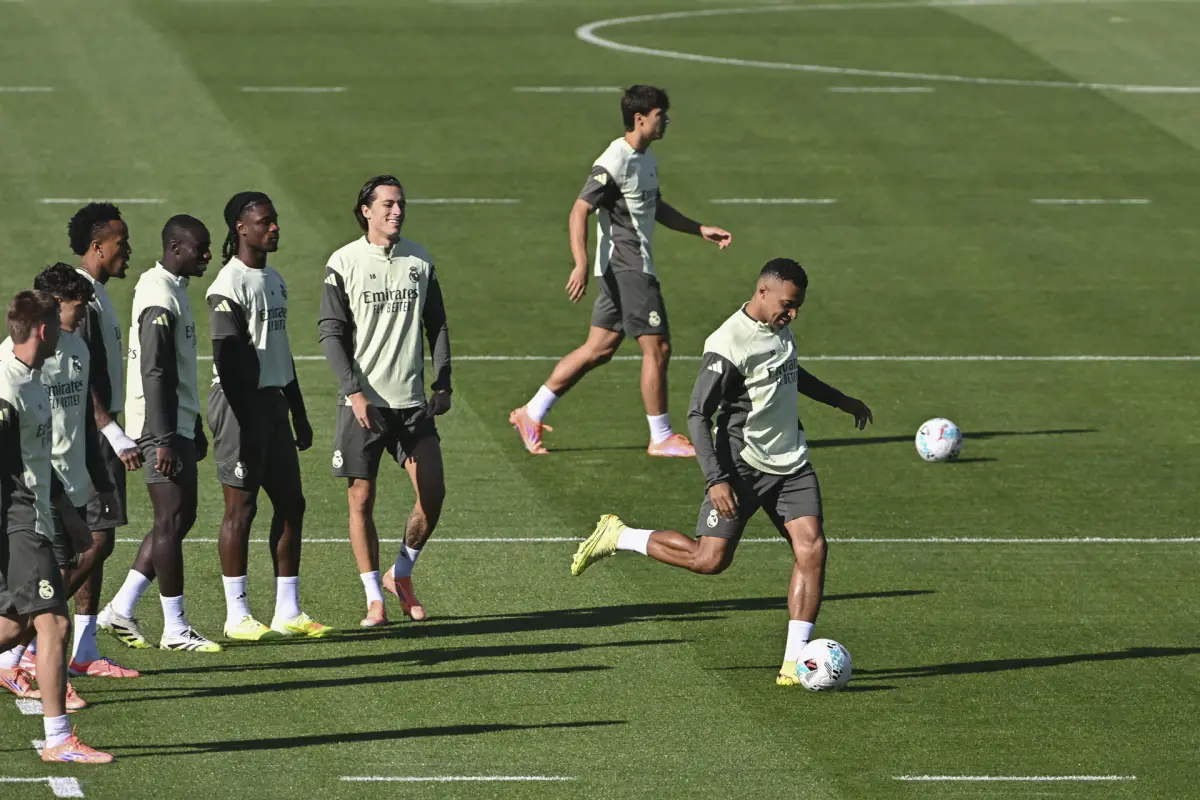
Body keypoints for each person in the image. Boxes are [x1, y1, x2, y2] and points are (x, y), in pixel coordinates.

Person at [570, 258, 873, 686]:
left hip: (791, 463)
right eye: (788, 305)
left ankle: (791, 664)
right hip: (743, 466)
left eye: (798, 306)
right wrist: (716, 479)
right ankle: (619, 535)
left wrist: (841, 400)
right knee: (708, 560)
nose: (793, 314)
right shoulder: (728, 343)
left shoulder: (777, 325)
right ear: (762, 291)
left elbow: (787, 372)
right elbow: (697, 414)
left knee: (812, 549)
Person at [510, 84, 732, 457]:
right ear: (640, 119)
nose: (667, 121)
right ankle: (660, 435)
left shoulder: (646, 160)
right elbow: (580, 209)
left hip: (625, 269)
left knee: (599, 348)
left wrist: (698, 229)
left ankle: (531, 412)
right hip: (627, 268)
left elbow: (654, 206)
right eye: (662, 115)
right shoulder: (615, 160)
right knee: (657, 346)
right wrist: (580, 263)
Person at [318, 175, 451, 627]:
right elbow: (331, 333)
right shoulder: (343, 262)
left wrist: (444, 381)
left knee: (432, 492)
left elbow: (438, 324)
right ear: (366, 211)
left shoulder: (420, 259)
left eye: (401, 205)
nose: (397, 212)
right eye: (388, 205)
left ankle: (402, 573)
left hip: (412, 403)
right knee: (362, 499)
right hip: (364, 404)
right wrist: (354, 392)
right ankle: (374, 596)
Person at [0, 265, 134, 709]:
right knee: (47, 612)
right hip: (31, 498)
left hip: (63, 487)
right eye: (74, 310)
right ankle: (42, 682)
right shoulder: (16, 368)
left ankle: (29, 664)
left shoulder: (72, 348)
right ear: (52, 314)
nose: (77, 319)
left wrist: (93, 479)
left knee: (31, 614)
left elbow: (76, 421)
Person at [207, 191, 327, 641]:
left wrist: (298, 411)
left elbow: (280, 351)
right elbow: (228, 362)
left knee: (292, 503)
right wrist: (250, 420)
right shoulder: (227, 285)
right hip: (240, 404)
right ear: (241, 227)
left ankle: (287, 610)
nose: (273, 228)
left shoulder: (274, 280)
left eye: (275, 220)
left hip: (273, 403)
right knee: (241, 508)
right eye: (264, 221)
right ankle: (236, 615)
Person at [98, 216, 217, 652]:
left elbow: (177, 369)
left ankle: (122, 608)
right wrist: (164, 437)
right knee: (169, 520)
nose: (207, 255)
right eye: (200, 248)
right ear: (175, 246)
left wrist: (193, 423)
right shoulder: (157, 293)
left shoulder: (174, 288)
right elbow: (154, 369)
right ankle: (175, 627)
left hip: (175, 421)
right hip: (157, 426)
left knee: (182, 517)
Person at [67, 203, 144, 673]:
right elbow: (86, 372)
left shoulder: (98, 295)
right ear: (98, 246)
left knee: (100, 539)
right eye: (121, 242)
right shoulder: (84, 302)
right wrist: (111, 429)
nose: (128, 250)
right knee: (95, 541)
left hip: (99, 433)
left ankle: (83, 649)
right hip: (92, 438)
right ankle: (22, 642)